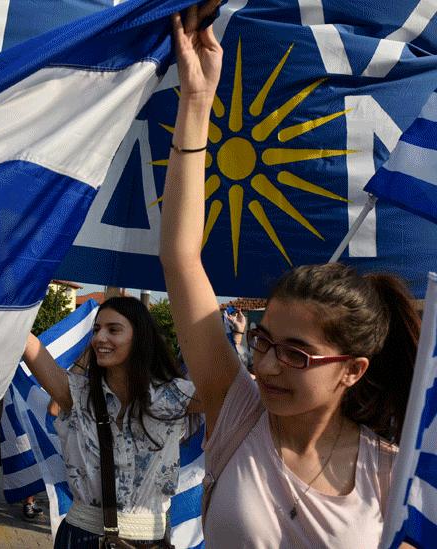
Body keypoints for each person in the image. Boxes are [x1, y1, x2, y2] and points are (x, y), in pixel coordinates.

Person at [159, 6, 420, 547]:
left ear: (352, 370)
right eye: (264, 341)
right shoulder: (236, 410)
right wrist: (197, 99)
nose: (268, 365)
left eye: (296, 353)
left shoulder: (393, 476)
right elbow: (182, 257)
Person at [22, 296, 196, 547]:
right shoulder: (78, 395)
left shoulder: (174, 395)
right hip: (82, 537)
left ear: (140, 338)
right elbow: (27, 342)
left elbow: (229, 391)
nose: (99, 337)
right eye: (96, 330)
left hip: (149, 539)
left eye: (113, 329)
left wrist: (236, 338)